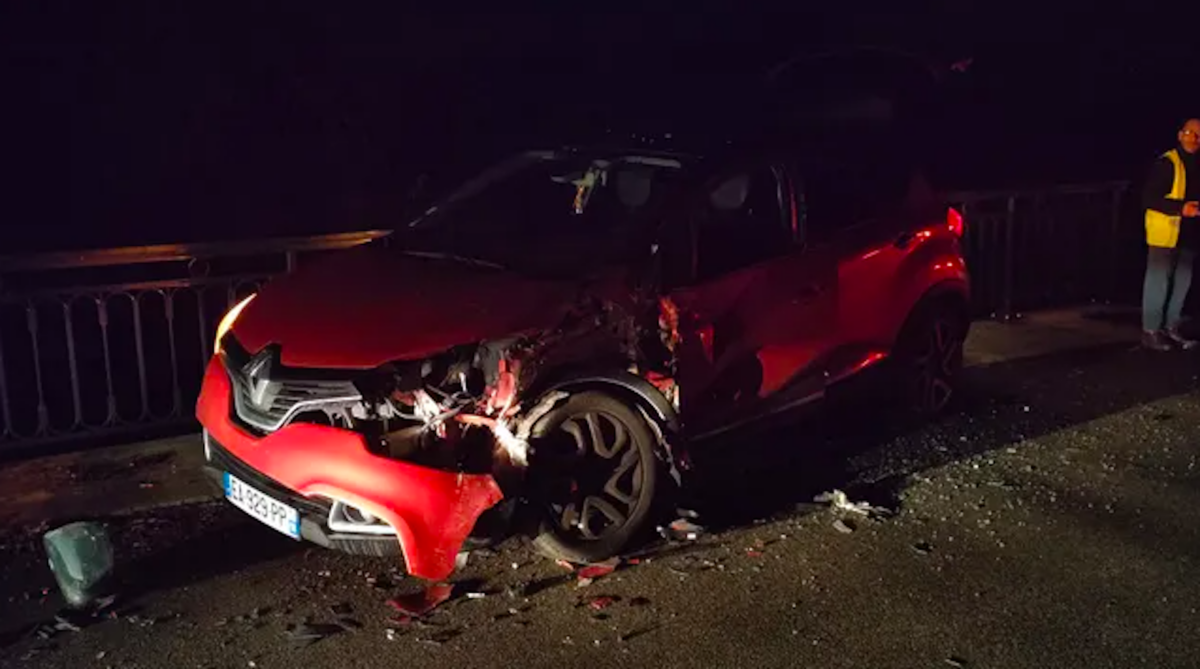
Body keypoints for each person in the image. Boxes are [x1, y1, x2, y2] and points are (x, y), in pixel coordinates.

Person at [1142, 119, 1200, 351]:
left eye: (1198, 135)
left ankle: (1171, 327)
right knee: (1158, 281)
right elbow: (1148, 198)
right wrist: (1180, 208)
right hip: (1166, 232)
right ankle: (1151, 330)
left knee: (1182, 282)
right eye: (1189, 133)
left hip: (1189, 233)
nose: (1193, 138)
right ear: (1179, 135)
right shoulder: (1167, 163)